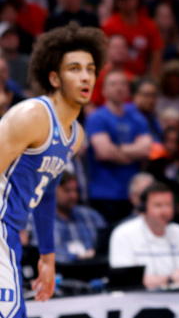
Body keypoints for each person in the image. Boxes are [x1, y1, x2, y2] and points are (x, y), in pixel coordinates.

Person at [0, 22, 104, 313]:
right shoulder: (32, 115)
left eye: (90, 68)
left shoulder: (75, 134)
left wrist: (47, 256)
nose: (85, 76)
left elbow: (45, 193)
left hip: (10, 231)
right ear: (55, 78)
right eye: (74, 69)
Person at [109, 182, 179, 289]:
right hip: (143, 301)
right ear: (143, 208)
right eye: (158, 205)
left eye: (169, 205)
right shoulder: (123, 233)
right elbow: (124, 279)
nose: (165, 211)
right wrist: (169, 279)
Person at [85, 69, 153, 223]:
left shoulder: (137, 117)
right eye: (113, 84)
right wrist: (133, 152)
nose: (119, 88)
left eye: (123, 84)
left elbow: (147, 149)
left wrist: (119, 150)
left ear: (128, 90)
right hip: (104, 193)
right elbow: (104, 152)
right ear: (104, 90)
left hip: (133, 193)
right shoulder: (96, 117)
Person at [27, 172, 106, 263]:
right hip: (58, 270)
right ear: (51, 191)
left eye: (76, 190)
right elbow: (39, 252)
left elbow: (104, 246)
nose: (73, 196)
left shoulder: (91, 216)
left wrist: (95, 254)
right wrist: (76, 257)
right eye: (66, 190)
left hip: (93, 268)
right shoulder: (37, 219)